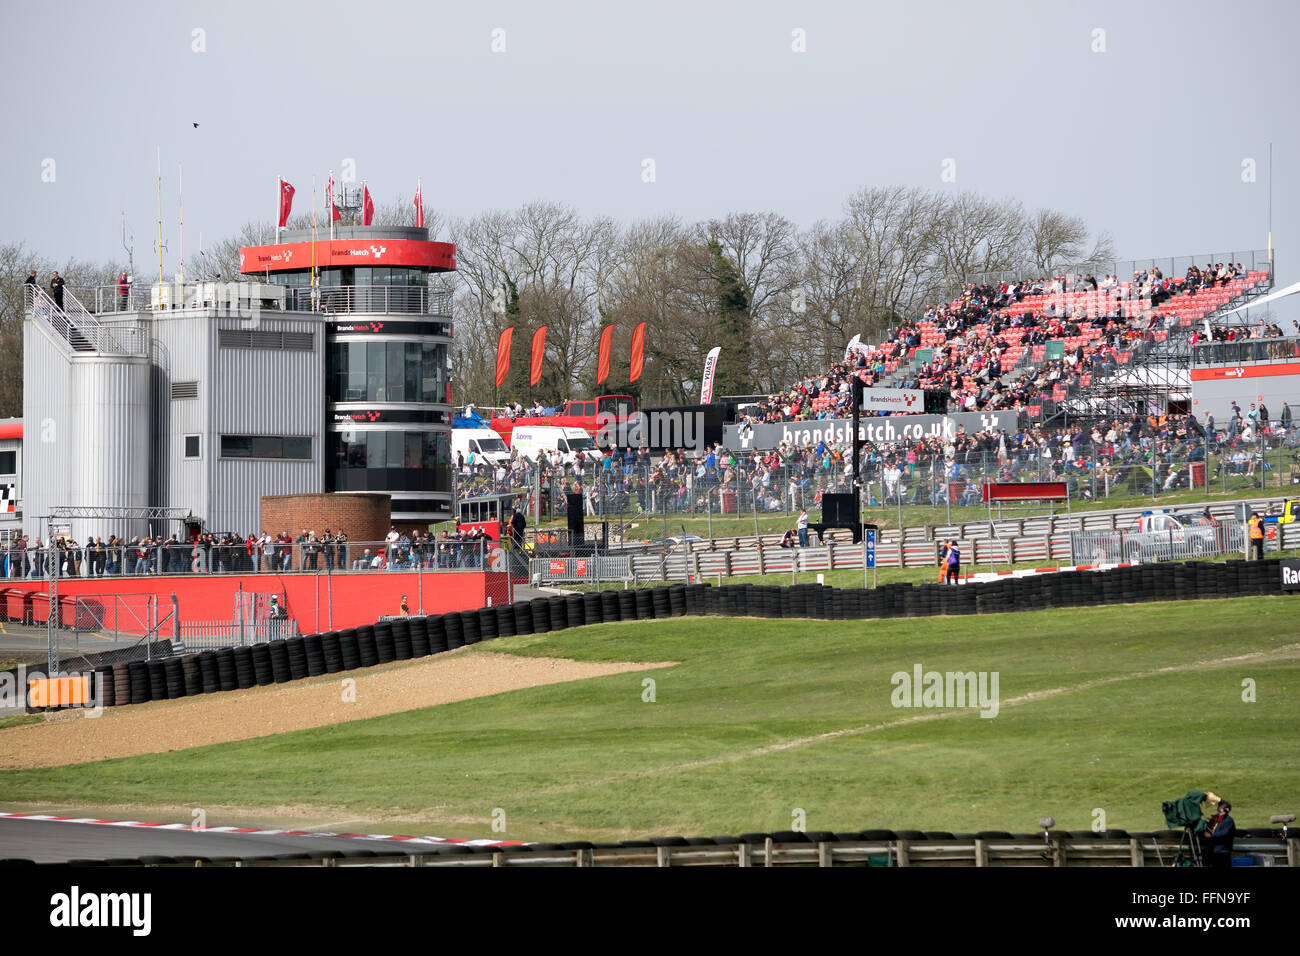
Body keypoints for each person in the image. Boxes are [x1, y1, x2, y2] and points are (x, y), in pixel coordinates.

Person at [1203, 799, 1235, 868]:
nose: (1219, 808)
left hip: (1223, 852)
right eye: (1219, 806)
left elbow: (1223, 833)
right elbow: (1209, 829)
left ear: (1226, 810)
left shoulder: (1228, 820)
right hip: (1213, 851)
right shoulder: (1214, 819)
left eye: (1221, 807)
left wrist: (1210, 835)